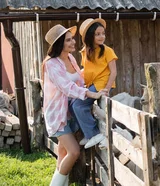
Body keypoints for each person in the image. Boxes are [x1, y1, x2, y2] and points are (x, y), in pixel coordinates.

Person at [43, 24, 105, 186]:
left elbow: (79, 80)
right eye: (68, 40)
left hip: (71, 111)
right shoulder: (51, 64)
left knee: (63, 151)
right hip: (57, 114)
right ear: (59, 44)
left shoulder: (70, 58)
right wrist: (89, 94)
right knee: (74, 152)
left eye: (72, 38)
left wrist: (97, 75)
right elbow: (66, 87)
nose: (73, 42)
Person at [72, 18, 118, 149]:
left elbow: (113, 72)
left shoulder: (107, 51)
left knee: (78, 106)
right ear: (89, 36)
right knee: (73, 104)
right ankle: (88, 133)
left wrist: (107, 89)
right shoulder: (85, 51)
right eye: (97, 34)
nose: (101, 36)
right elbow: (85, 71)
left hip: (102, 84)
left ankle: (94, 134)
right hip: (91, 85)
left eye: (103, 33)